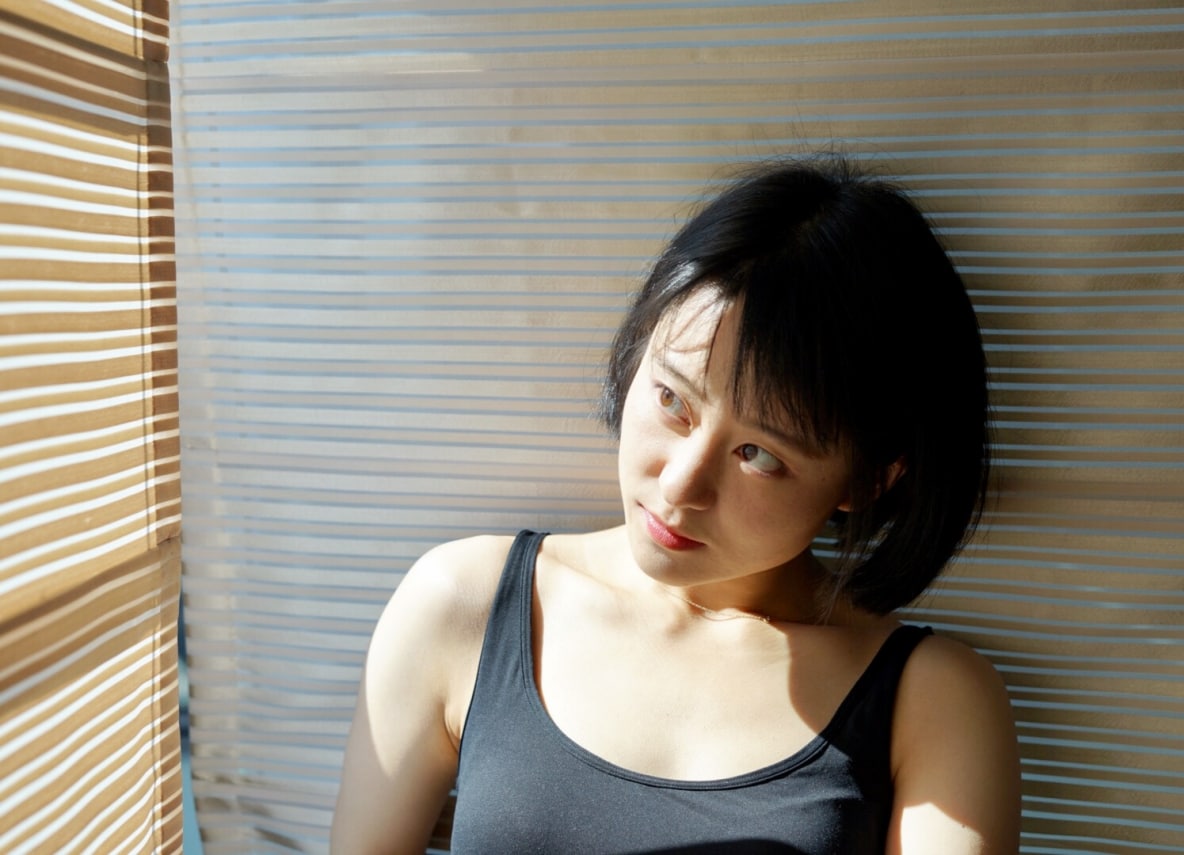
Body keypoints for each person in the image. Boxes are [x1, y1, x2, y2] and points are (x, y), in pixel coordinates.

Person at [331, 155, 1021, 854]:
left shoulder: (932, 700)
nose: (681, 484)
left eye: (759, 455)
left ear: (868, 482)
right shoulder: (466, 606)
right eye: (671, 399)